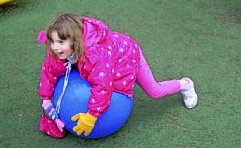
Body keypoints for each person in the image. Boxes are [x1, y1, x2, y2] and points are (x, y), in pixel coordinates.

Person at [37, 13, 198, 138]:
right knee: (78, 69)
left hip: (127, 55)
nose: (55, 47)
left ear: (75, 40)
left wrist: (92, 116)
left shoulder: (95, 56)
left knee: (154, 91)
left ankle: (185, 84)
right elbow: (49, 70)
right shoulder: (58, 50)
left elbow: (103, 86)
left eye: (60, 42)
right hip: (109, 56)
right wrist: (45, 98)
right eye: (52, 41)